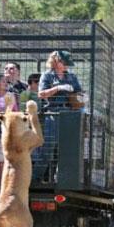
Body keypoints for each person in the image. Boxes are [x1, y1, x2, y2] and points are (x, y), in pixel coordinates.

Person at [37, 50, 82, 181]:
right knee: (48, 149)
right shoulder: (47, 76)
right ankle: (37, 178)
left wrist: (80, 96)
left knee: (67, 149)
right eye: (65, 63)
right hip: (53, 114)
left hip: (69, 114)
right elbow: (41, 94)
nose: (67, 66)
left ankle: (63, 179)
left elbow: (79, 93)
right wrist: (58, 88)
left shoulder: (72, 77)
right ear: (56, 61)